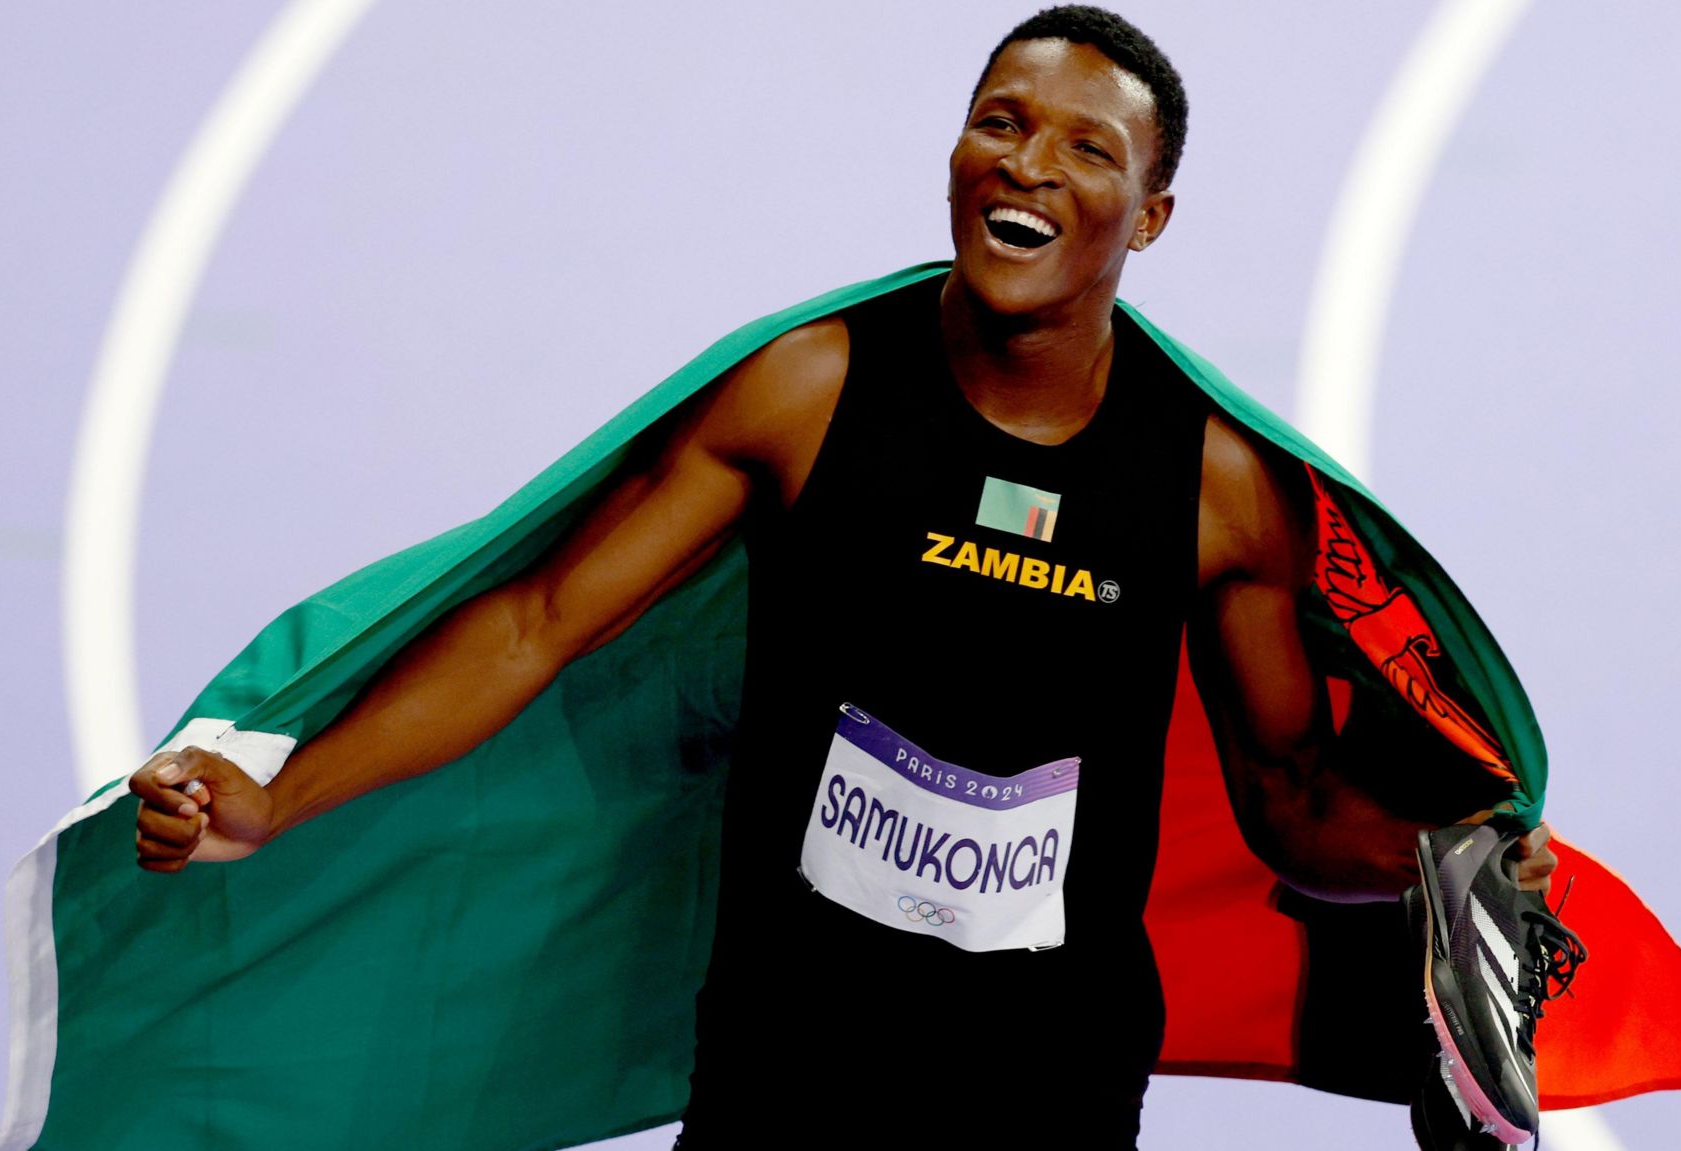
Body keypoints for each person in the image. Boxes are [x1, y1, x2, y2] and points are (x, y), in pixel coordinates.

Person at [127, 7, 1556, 1147]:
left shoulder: (1213, 489)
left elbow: (1294, 802)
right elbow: (535, 624)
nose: (1027, 165)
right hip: (788, 1058)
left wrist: (1448, 856)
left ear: (1153, 217)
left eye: (1086, 150)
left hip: (1047, 1085)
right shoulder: (807, 395)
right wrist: (276, 799)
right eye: (999, 123)